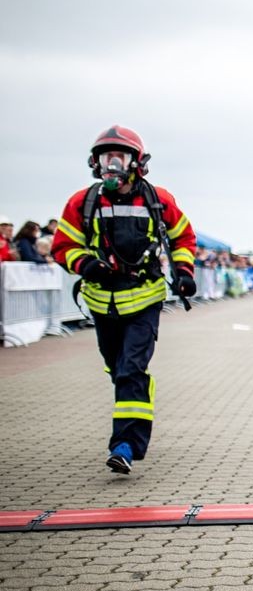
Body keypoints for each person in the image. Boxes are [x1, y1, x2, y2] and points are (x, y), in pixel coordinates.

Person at [51, 125, 197, 474]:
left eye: (120, 156)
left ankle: (125, 445)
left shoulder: (158, 199)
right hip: (102, 303)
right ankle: (130, 423)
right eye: (105, 157)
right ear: (95, 163)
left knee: (131, 369)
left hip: (144, 300)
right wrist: (86, 264)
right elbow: (63, 245)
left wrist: (185, 273)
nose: (112, 164)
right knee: (119, 371)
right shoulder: (82, 202)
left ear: (137, 162)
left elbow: (183, 238)